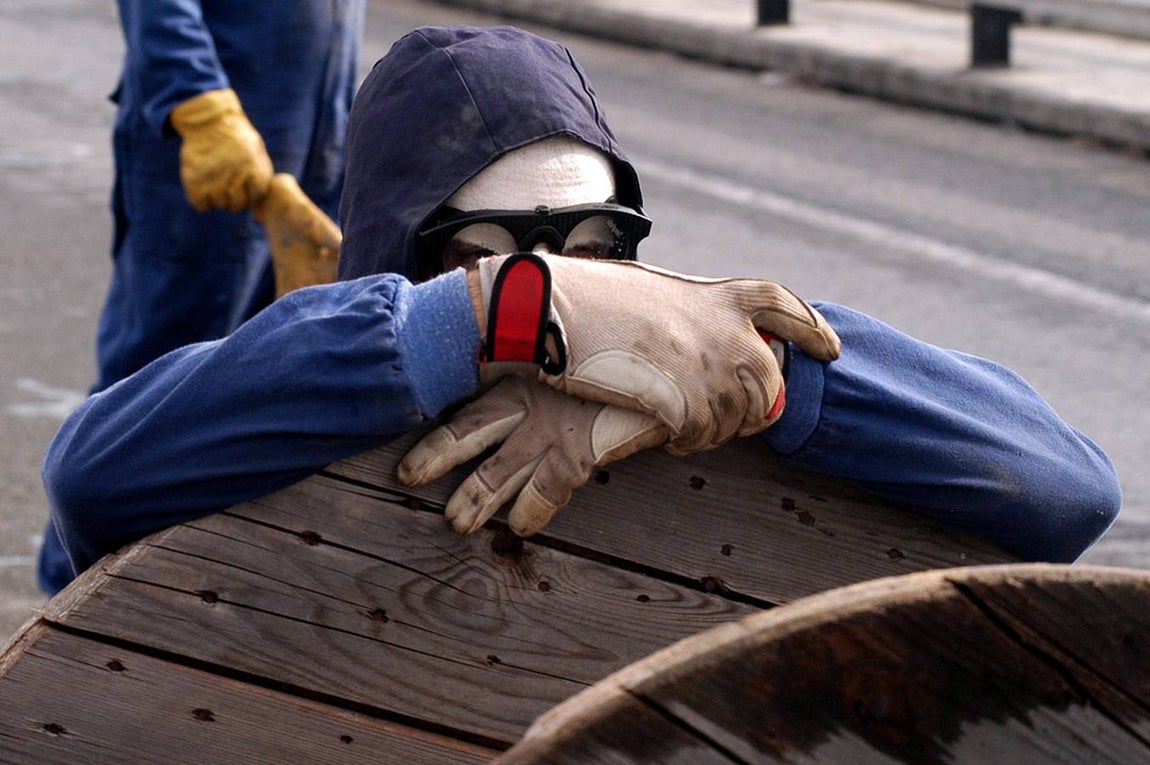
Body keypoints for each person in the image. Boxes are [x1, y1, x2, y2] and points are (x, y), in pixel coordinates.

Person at [39, 26, 1120, 596]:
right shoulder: (302, 384)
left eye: (594, 251)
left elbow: (1067, 493)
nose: (567, 278)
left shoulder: (677, 373)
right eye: (489, 250)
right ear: (399, 252)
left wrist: (757, 377)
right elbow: (90, 479)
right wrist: (501, 317)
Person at [35, 1, 364, 593]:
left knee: (263, 393)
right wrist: (197, 101)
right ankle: (66, 602)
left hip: (312, 150)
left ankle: (177, 596)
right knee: (147, 396)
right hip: (209, 143)